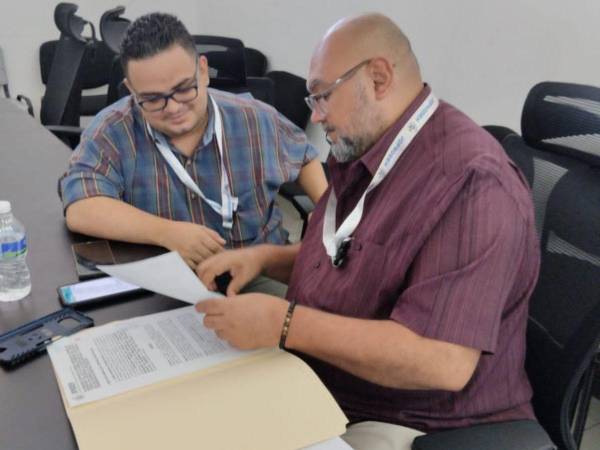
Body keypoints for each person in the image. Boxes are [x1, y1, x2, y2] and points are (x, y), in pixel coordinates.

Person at [195, 13, 540, 450]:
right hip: (330, 379)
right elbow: (353, 255)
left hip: (417, 419)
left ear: (378, 78)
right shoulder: (368, 151)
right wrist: (264, 259)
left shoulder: (473, 182)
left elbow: (441, 360)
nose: (316, 116)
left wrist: (284, 324)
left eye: (322, 96)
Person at [58, 13, 327, 287]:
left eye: (184, 89)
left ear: (202, 71)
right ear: (131, 89)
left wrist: (328, 209)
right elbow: (81, 208)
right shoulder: (114, 130)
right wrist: (166, 233)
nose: (173, 108)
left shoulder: (254, 118)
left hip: (257, 273)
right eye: (152, 99)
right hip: (172, 281)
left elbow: (304, 156)